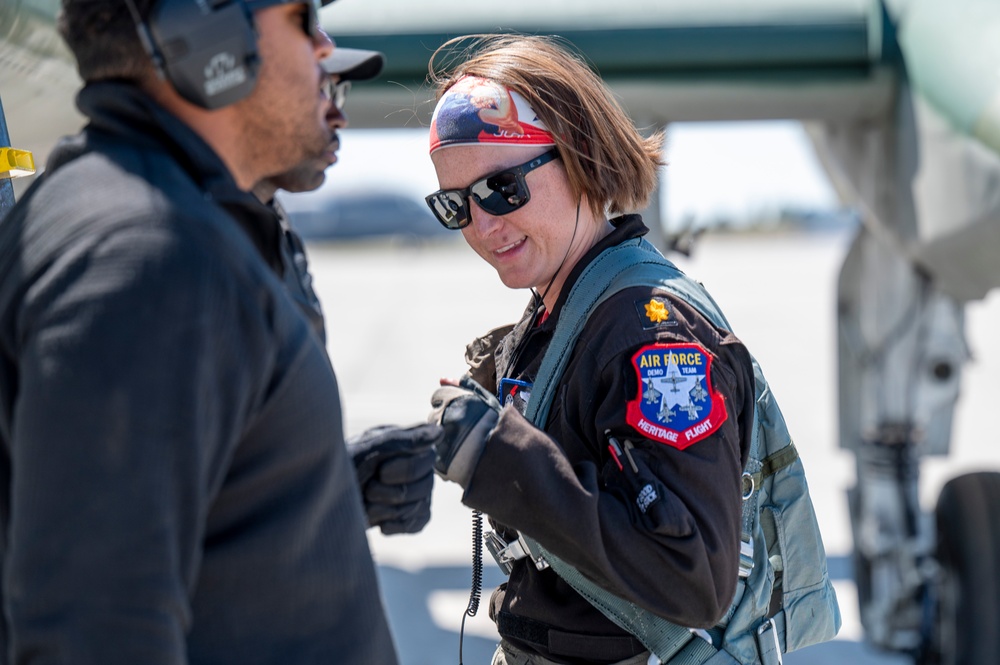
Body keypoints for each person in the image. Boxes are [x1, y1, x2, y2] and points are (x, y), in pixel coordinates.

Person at [0, 0, 400, 662]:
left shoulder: (120, 218)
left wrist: (315, 482)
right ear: (206, 34)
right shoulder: (151, 256)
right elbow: (97, 634)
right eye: (303, 19)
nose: (325, 48)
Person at [423, 35, 758, 665]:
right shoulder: (568, 306)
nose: (483, 225)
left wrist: (503, 459)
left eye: (501, 188)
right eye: (455, 205)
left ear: (578, 156)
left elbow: (695, 579)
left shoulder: (650, 333)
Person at [253, 47, 438, 537]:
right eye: (321, 89)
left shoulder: (268, 225)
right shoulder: (174, 253)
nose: (339, 113)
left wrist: (340, 485)